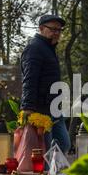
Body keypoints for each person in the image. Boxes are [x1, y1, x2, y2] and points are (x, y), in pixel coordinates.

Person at [21, 14, 71, 154]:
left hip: (54, 107)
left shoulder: (49, 49)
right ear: (41, 28)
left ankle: (53, 172)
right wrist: (28, 107)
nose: (57, 33)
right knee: (44, 148)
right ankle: (47, 174)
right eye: (53, 29)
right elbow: (29, 79)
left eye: (59, 30)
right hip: (40, 109)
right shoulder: (35, 48)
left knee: (64, 144)